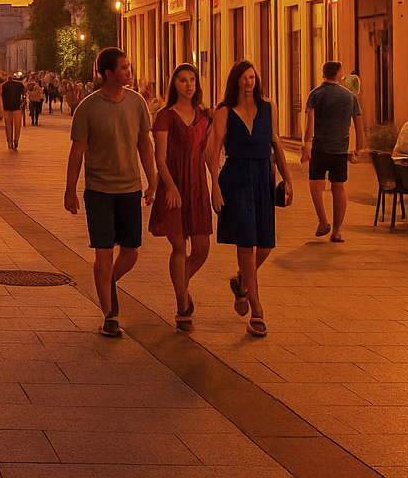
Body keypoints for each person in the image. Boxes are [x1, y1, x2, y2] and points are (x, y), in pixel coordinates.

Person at [64, 47, 156, 337]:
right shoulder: (88, 108)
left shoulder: (137, 102)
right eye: (124, 68)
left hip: (130, 188)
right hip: (99, 191)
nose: (129, 71)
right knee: (103, 255)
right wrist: (70, 191)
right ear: (108, 73)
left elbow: (145, 144)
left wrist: (152, 181)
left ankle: (108, 282)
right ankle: (109, 315)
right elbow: (76, 152)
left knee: (131, 252)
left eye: (129, 66)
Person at [212, 59, 293, 338]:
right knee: (246, 243)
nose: (250, 82)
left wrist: (288, 179)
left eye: (253, 77)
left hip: (262, 176)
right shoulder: (223, 111)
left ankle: (241, 280)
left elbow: (276, 143)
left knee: (266, 245)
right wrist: (215, 186)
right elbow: (212, 153)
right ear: (236, 80)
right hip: (235, 178)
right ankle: (257, 308)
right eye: (245, 78)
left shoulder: (268, 107)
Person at [149, 64, 212, 331]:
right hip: (173, 186)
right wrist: (170, 187)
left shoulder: (205, 115)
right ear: (174, 84)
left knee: (202, 249)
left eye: (192, 80)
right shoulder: (165, 116)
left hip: (198, 186)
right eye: (183, 80)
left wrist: (217, 186)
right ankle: (181, 305)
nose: (188, 85)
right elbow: (159, 158)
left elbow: (210, 153)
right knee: (178, 247)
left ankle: (181, 285)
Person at [299, 60, 364, 242]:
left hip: (320, 146)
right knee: (339, 186)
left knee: (316, 184)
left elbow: (310, 120)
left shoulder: (316, 94)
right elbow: (358, 123)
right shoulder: (350, 97)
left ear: (323, 74)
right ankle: (336, 230)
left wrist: (306, 143)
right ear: (338, 74)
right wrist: (358, 147)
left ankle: (323, 220)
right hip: (341, 149)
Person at [0, 74, 26, 150]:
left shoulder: (4, 85)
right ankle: (16, 140)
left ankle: (10, 142)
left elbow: (0, 96)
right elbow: (24, 95)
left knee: (8, 126)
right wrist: (22, 104)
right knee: (17, 126)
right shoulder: (20, 85)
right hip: (17, 107)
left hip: (7, 107)